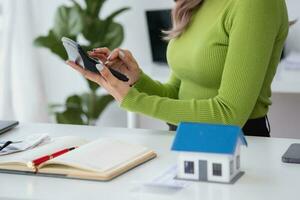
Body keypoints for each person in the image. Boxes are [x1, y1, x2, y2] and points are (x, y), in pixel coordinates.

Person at [67, 0, 289, 137]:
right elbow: (176, 93)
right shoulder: (193, 3)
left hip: (239, 150)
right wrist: (136, 79)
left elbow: (229, 115)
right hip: (182, 140)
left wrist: (134, 100)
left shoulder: (257, 4)